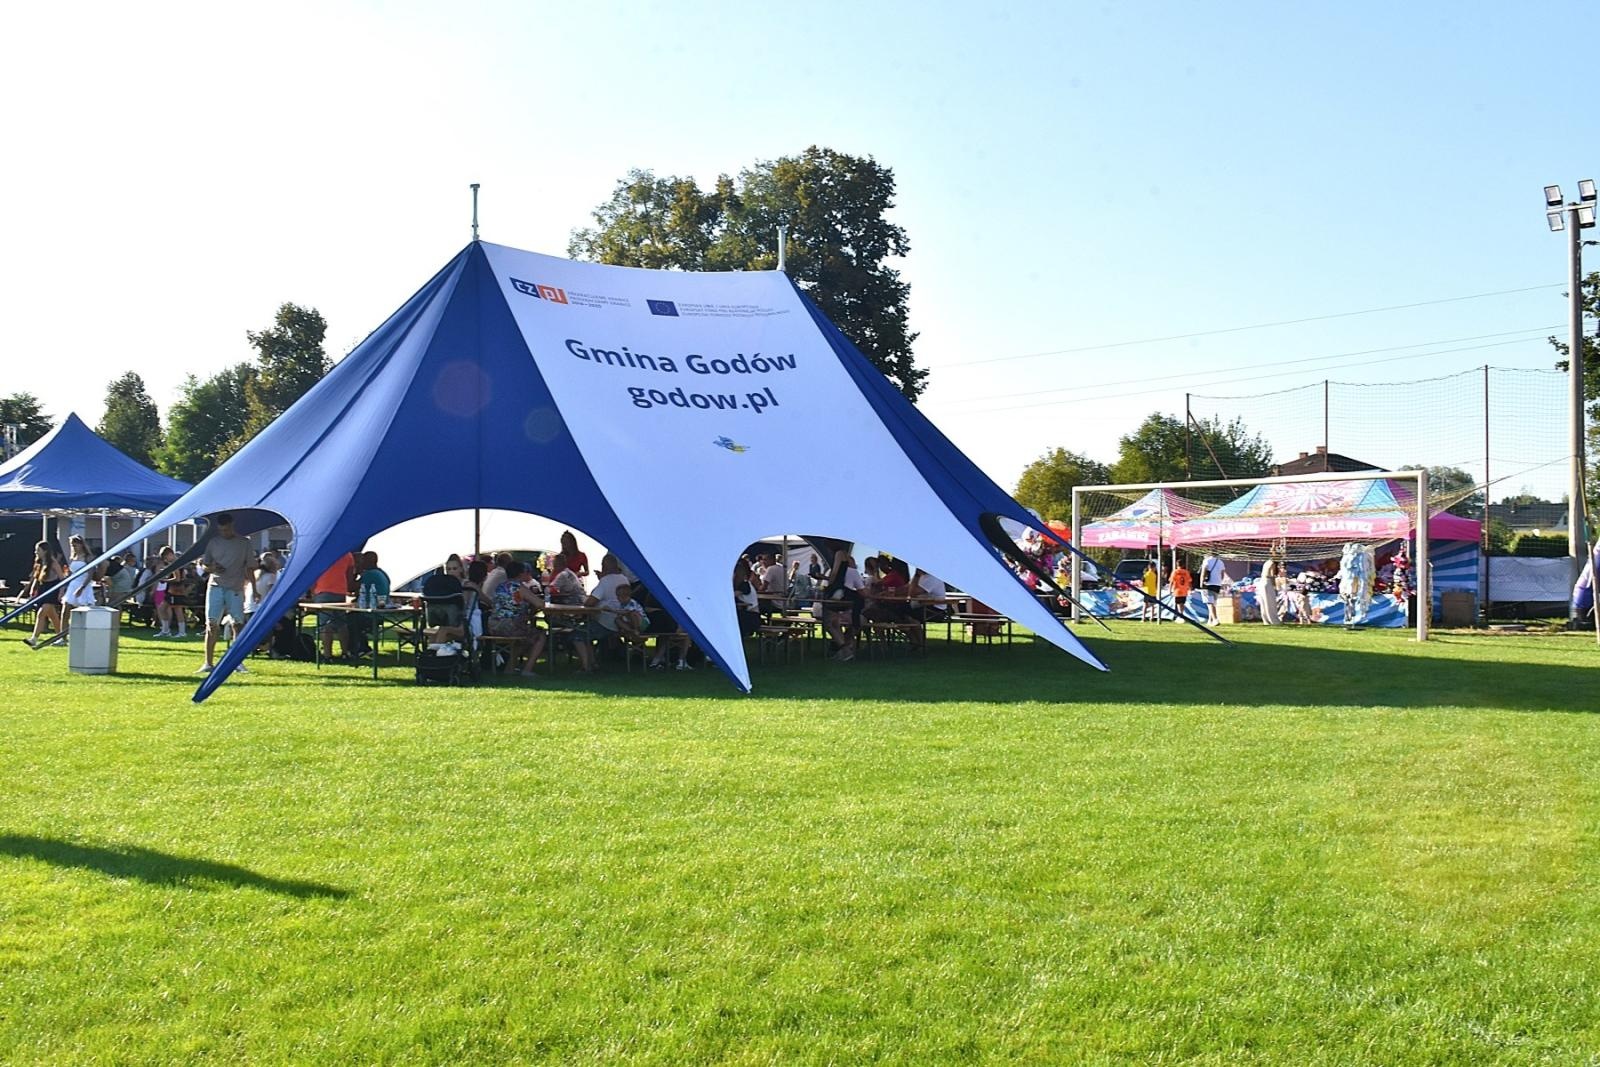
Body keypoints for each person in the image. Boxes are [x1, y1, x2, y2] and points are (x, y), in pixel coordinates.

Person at [197, 514, 259, 675]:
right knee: (211, 624)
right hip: (215, 586)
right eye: (222, 530)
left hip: (235, 588)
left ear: (233, 526)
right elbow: (204, 565)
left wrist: (255, 588)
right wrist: (212, 568)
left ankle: (236, 662)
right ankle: (208, 663)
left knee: (237, 624)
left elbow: (250, 567)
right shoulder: (214, 542)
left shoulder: (244, 543)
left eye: (227, 529)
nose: (225, 532)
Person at [486, 560, 547, 677]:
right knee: (540, 635)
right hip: (510, 626)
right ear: (520, 574)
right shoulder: (519, 587)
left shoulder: (500, 586)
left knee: (521, 638)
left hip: (493, 626)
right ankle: (527, 669)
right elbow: (540, 604)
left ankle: (510, 668)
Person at [310, 548, 357, 662]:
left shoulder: (320, 552)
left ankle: (327, 655)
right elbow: (350, 575)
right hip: (340, 591)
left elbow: (312, 573)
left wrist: (312, 591)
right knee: (341, 623)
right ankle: (345, 652)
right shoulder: (347, 554)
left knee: (325, 624)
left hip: (322, 590)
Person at [820, 548, 863, 661]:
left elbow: (831, 580)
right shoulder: (853, 572)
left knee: (831, 623)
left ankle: (844, 648)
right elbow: (863, 591)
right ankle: (845, 648)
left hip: (837, 602)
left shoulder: (833, 571)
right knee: (852, 622)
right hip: (849, 606)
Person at [22, 541, 65, 648]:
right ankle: (61, 638)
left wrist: (61, 592)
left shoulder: (53, 563)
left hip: (52, 589)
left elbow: (62, 579)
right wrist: (33, 589)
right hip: (43, 588)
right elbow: (36, 578)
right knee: (53, 616)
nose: (36, 552)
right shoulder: (39, 562)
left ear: (45, 551)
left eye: (38, 550)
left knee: (41, 613)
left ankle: (34, 639)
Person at [733, 559, 762, 637]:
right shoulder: (744, 584)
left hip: (752, 619)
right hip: (748, 616)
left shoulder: (745, 585)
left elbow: (732, 596)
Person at [1200, 553, 1227, 625]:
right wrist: (1219, 581)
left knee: (1209, 603)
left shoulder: (1207, 560)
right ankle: (1210, 620)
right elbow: (1222, 574)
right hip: (1217, 584)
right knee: (1213, 603)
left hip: (1208, 584)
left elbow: (1203, 572)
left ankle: (1215, 619)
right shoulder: (1221, 562)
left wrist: (1201, 582)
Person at [1256, 559, 1282, 626]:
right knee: (1270, 602)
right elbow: (1272, 575)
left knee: (1264, 603)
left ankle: (1266, 621)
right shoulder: (1272, 563)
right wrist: (1275, 586)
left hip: (1262, 581)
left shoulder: (1267, 562)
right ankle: (1273, 620)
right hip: (1267, 581)